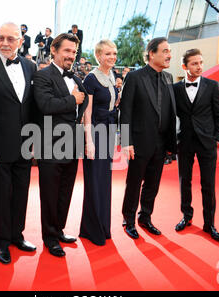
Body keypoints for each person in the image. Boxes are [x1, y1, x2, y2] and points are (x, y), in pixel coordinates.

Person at [0, 22, 37, 265]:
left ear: (20, 42)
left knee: (21, 194)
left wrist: (34, 139)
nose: (5, 43)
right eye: (1, 38)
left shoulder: (30, 66)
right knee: (1, 197)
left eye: (11, 39)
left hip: (24, 144)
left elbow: (31, 107)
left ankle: (16, 235)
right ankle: (1, 242)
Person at [33, 33, 88, 257]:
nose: (71, 56)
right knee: (50, 193)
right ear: (54, 51)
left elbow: (82, 105)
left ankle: (59, 230)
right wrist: (72, 101)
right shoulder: (43, 76)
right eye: (66, 51)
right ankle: (49, 237)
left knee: (65, 191)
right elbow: (45, 105)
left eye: (74, 52)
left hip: (72, 143)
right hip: (50, 144)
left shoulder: (75, 78)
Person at [120, 37, 177, 239]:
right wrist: (126, 141)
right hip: (139, 142)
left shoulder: (169, 78)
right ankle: (128, 220)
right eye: (165, 51)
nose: (169, 54)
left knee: (153, 184)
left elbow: (171, 112)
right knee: (134, 183)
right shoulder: (135, 77)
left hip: (161, 143)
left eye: (170, 51)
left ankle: (145, 217)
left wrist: (172, 143)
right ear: (152, 54)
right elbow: (125, 111)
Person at [173, 49, 219, 242]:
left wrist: (217, 137)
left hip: (207, 142)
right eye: (194, 63)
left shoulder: (212, 85)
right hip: (184, 141)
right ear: (185, 66)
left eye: (201, 62)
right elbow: (172, 116)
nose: (199, 66)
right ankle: (186, 216)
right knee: (184, 181)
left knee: (208, 184)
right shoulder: (176, 88)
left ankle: (209, 223)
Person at [79, 40, 119, 246]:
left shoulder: (112, 76)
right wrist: (89, 142)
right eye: (107, 54)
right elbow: (87, 113)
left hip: (109, 132)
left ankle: (103, 226)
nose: (112, 57)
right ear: (98, 56)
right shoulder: (91, 79)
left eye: (114, 53)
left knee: (104, 182)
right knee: (94, 182)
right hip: (94, 133)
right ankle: (92, 229)